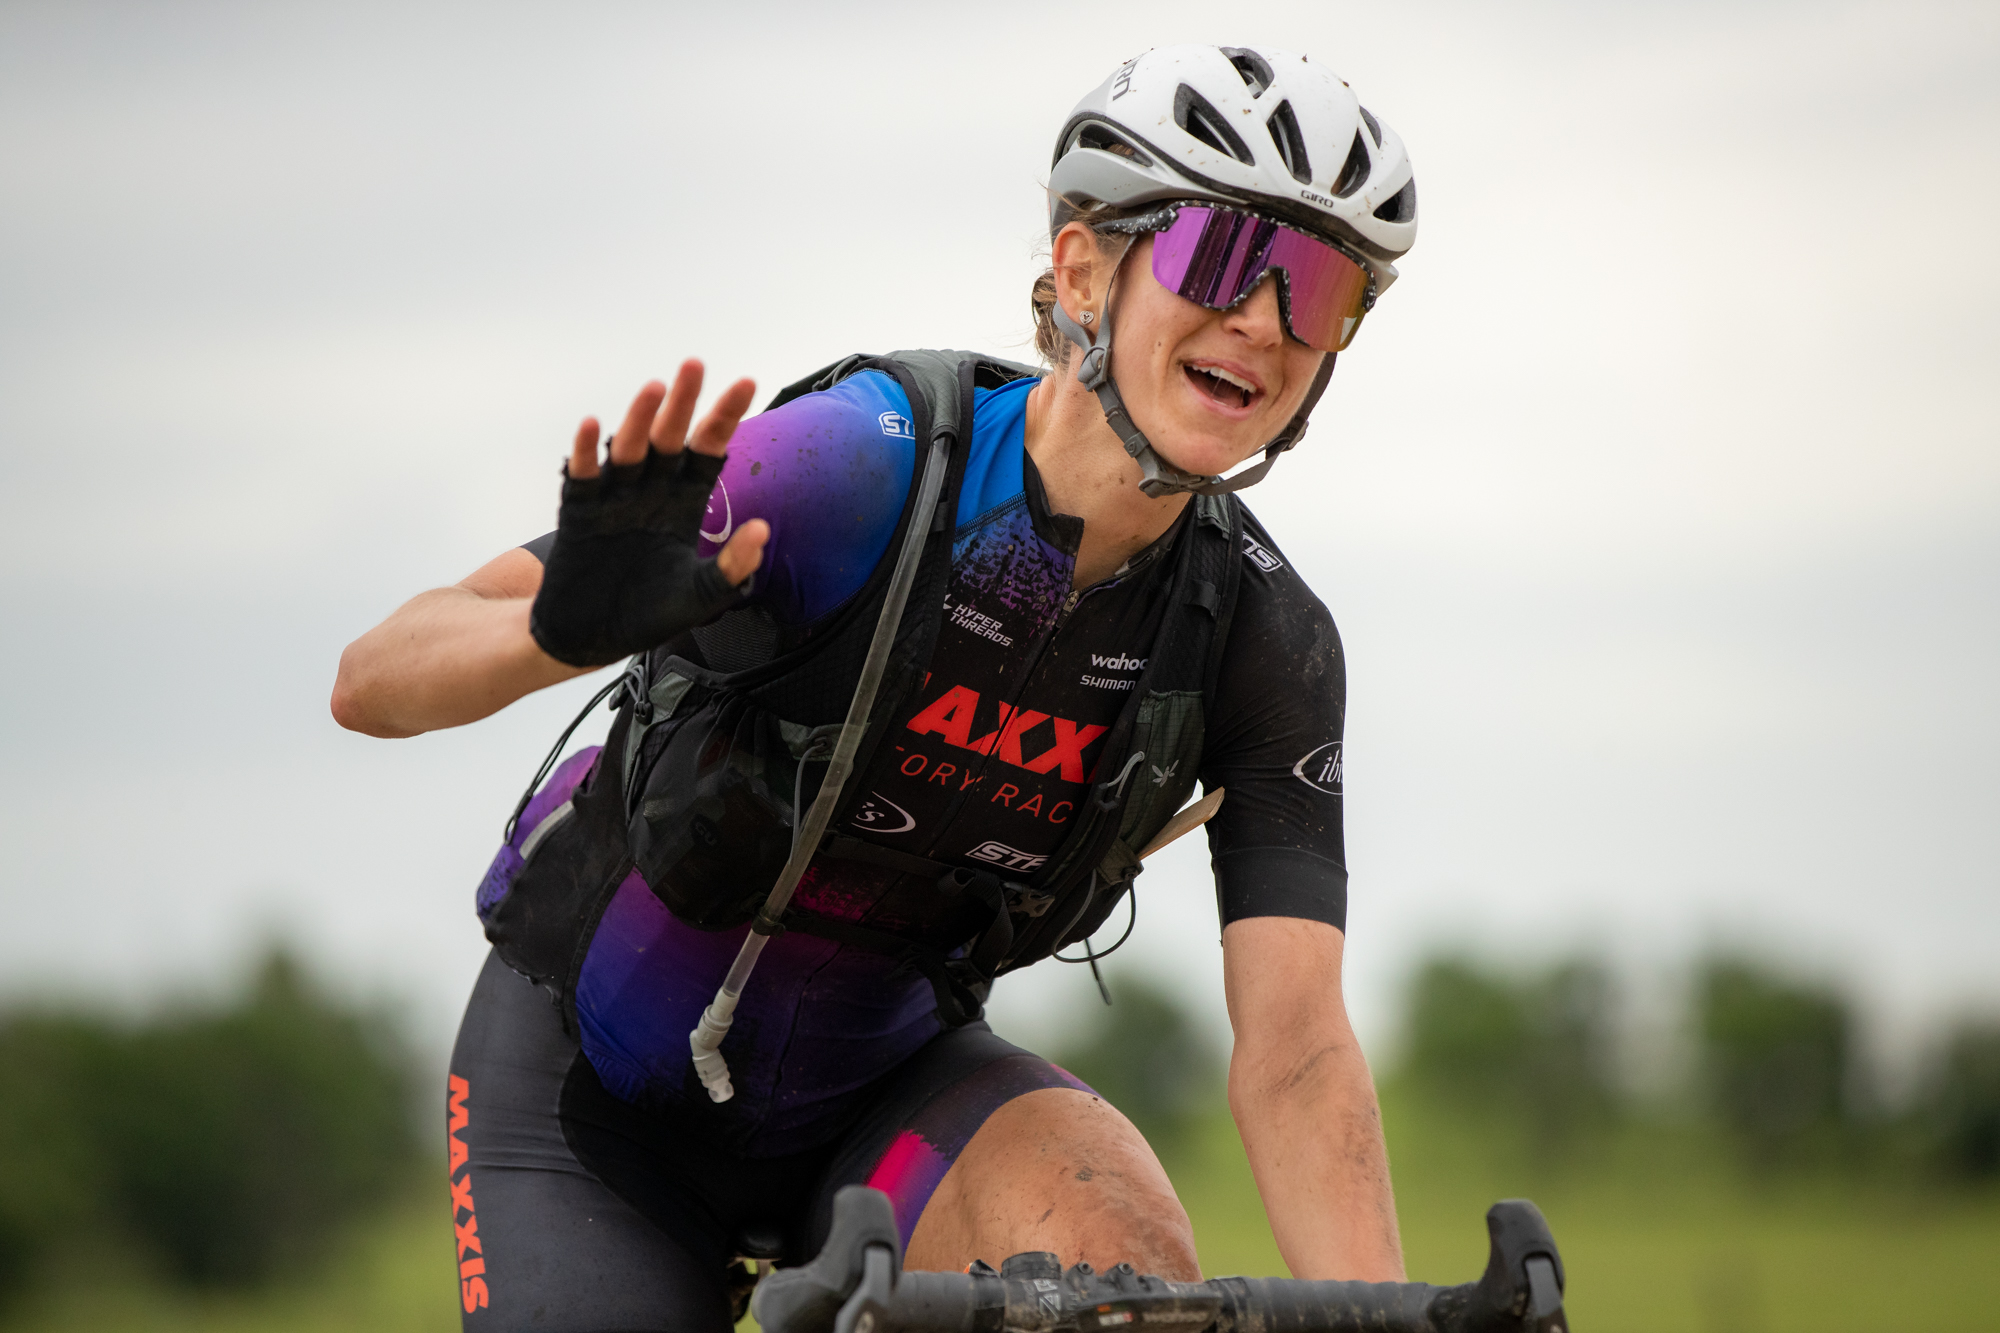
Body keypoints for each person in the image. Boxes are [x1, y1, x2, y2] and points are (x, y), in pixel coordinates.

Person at [333, 43, 1418, 1332]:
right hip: (592, 1100)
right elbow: (373, 678)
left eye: (1321, 288)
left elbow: (1295, 1052)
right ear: (1083, 270)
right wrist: (555, 634)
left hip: (882, 1099)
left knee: (1126, 1283)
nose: (1265, 324)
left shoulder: (1260, 637)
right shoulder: (861, 472)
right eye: (1229, 261)